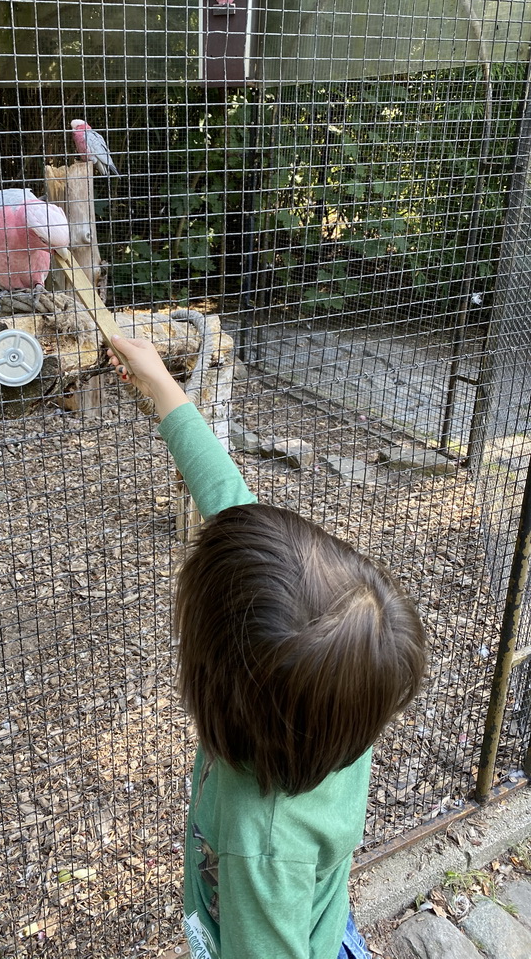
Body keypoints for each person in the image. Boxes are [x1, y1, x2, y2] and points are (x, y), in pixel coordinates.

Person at [106, 334, 427, 959]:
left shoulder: (262, 844)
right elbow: (228, 504)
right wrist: (161, 386)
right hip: (315, 917)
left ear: (218, 685)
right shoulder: (333, 699)